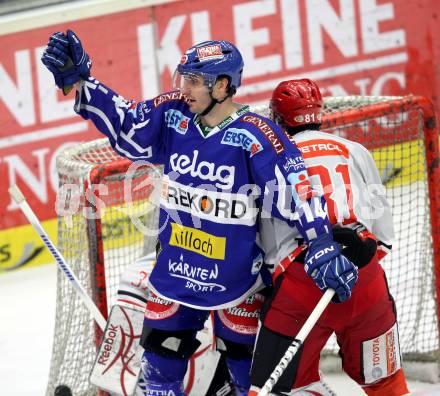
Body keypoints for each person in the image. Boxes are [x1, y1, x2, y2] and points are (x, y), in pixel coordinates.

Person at [41, 32, 358, 396]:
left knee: (245, 379)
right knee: (159, 375)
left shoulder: (256, 134)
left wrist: (321, 242)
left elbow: (299, 189)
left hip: (237, 282)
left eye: (194, 81)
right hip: (174, 274)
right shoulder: (174, 113)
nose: (184, 89)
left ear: (223, 86)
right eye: (183, 79)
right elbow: (129, 125)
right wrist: (84, 82)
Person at [249, 79, 409, 396]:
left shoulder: (269, 160)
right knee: (386, 382)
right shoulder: (355, 150)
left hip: (301, 286)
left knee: (284, 388)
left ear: (276, 118)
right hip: (364, 279)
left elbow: (266, 247)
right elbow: (383, 234)